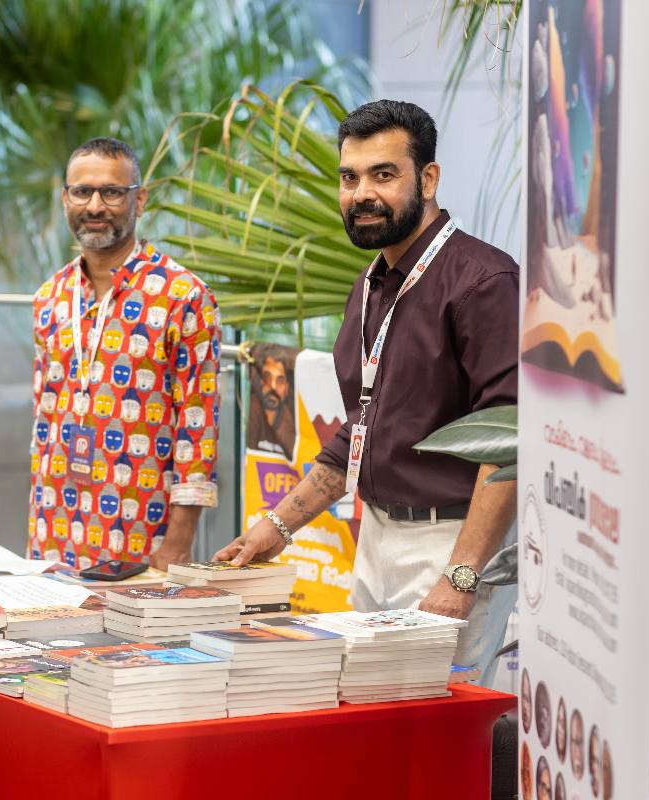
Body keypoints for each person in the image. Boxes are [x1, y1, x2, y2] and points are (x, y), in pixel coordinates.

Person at [214, 100, 519, 680]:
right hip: (375, 536)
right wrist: (276, 527)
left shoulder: (484, 281)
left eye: (383, 174)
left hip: (451, 542)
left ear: (428, 179)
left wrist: (461, 577)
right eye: (349, 178)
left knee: (434, 724)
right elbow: (360, 431)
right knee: (375, 717)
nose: (362, 194)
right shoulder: (371, 282)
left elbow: (509, 445)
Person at [29, 137, 221, 571]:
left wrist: (178, 543)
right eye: (83, 192)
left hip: (142, 536)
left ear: (140, 199)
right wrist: (37, 538)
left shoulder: (183, 296)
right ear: (65, 198)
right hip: (53, 530)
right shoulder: (49, 297)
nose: (95, 206)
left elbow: (198, 428)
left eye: (112, 192)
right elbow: (44, 422)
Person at [245, 345, 297, 459]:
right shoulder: (252, 408)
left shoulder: (293, 418)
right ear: (261, 381)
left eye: (280, 380)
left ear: (286, 387)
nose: (273, 386)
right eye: (267, 377)